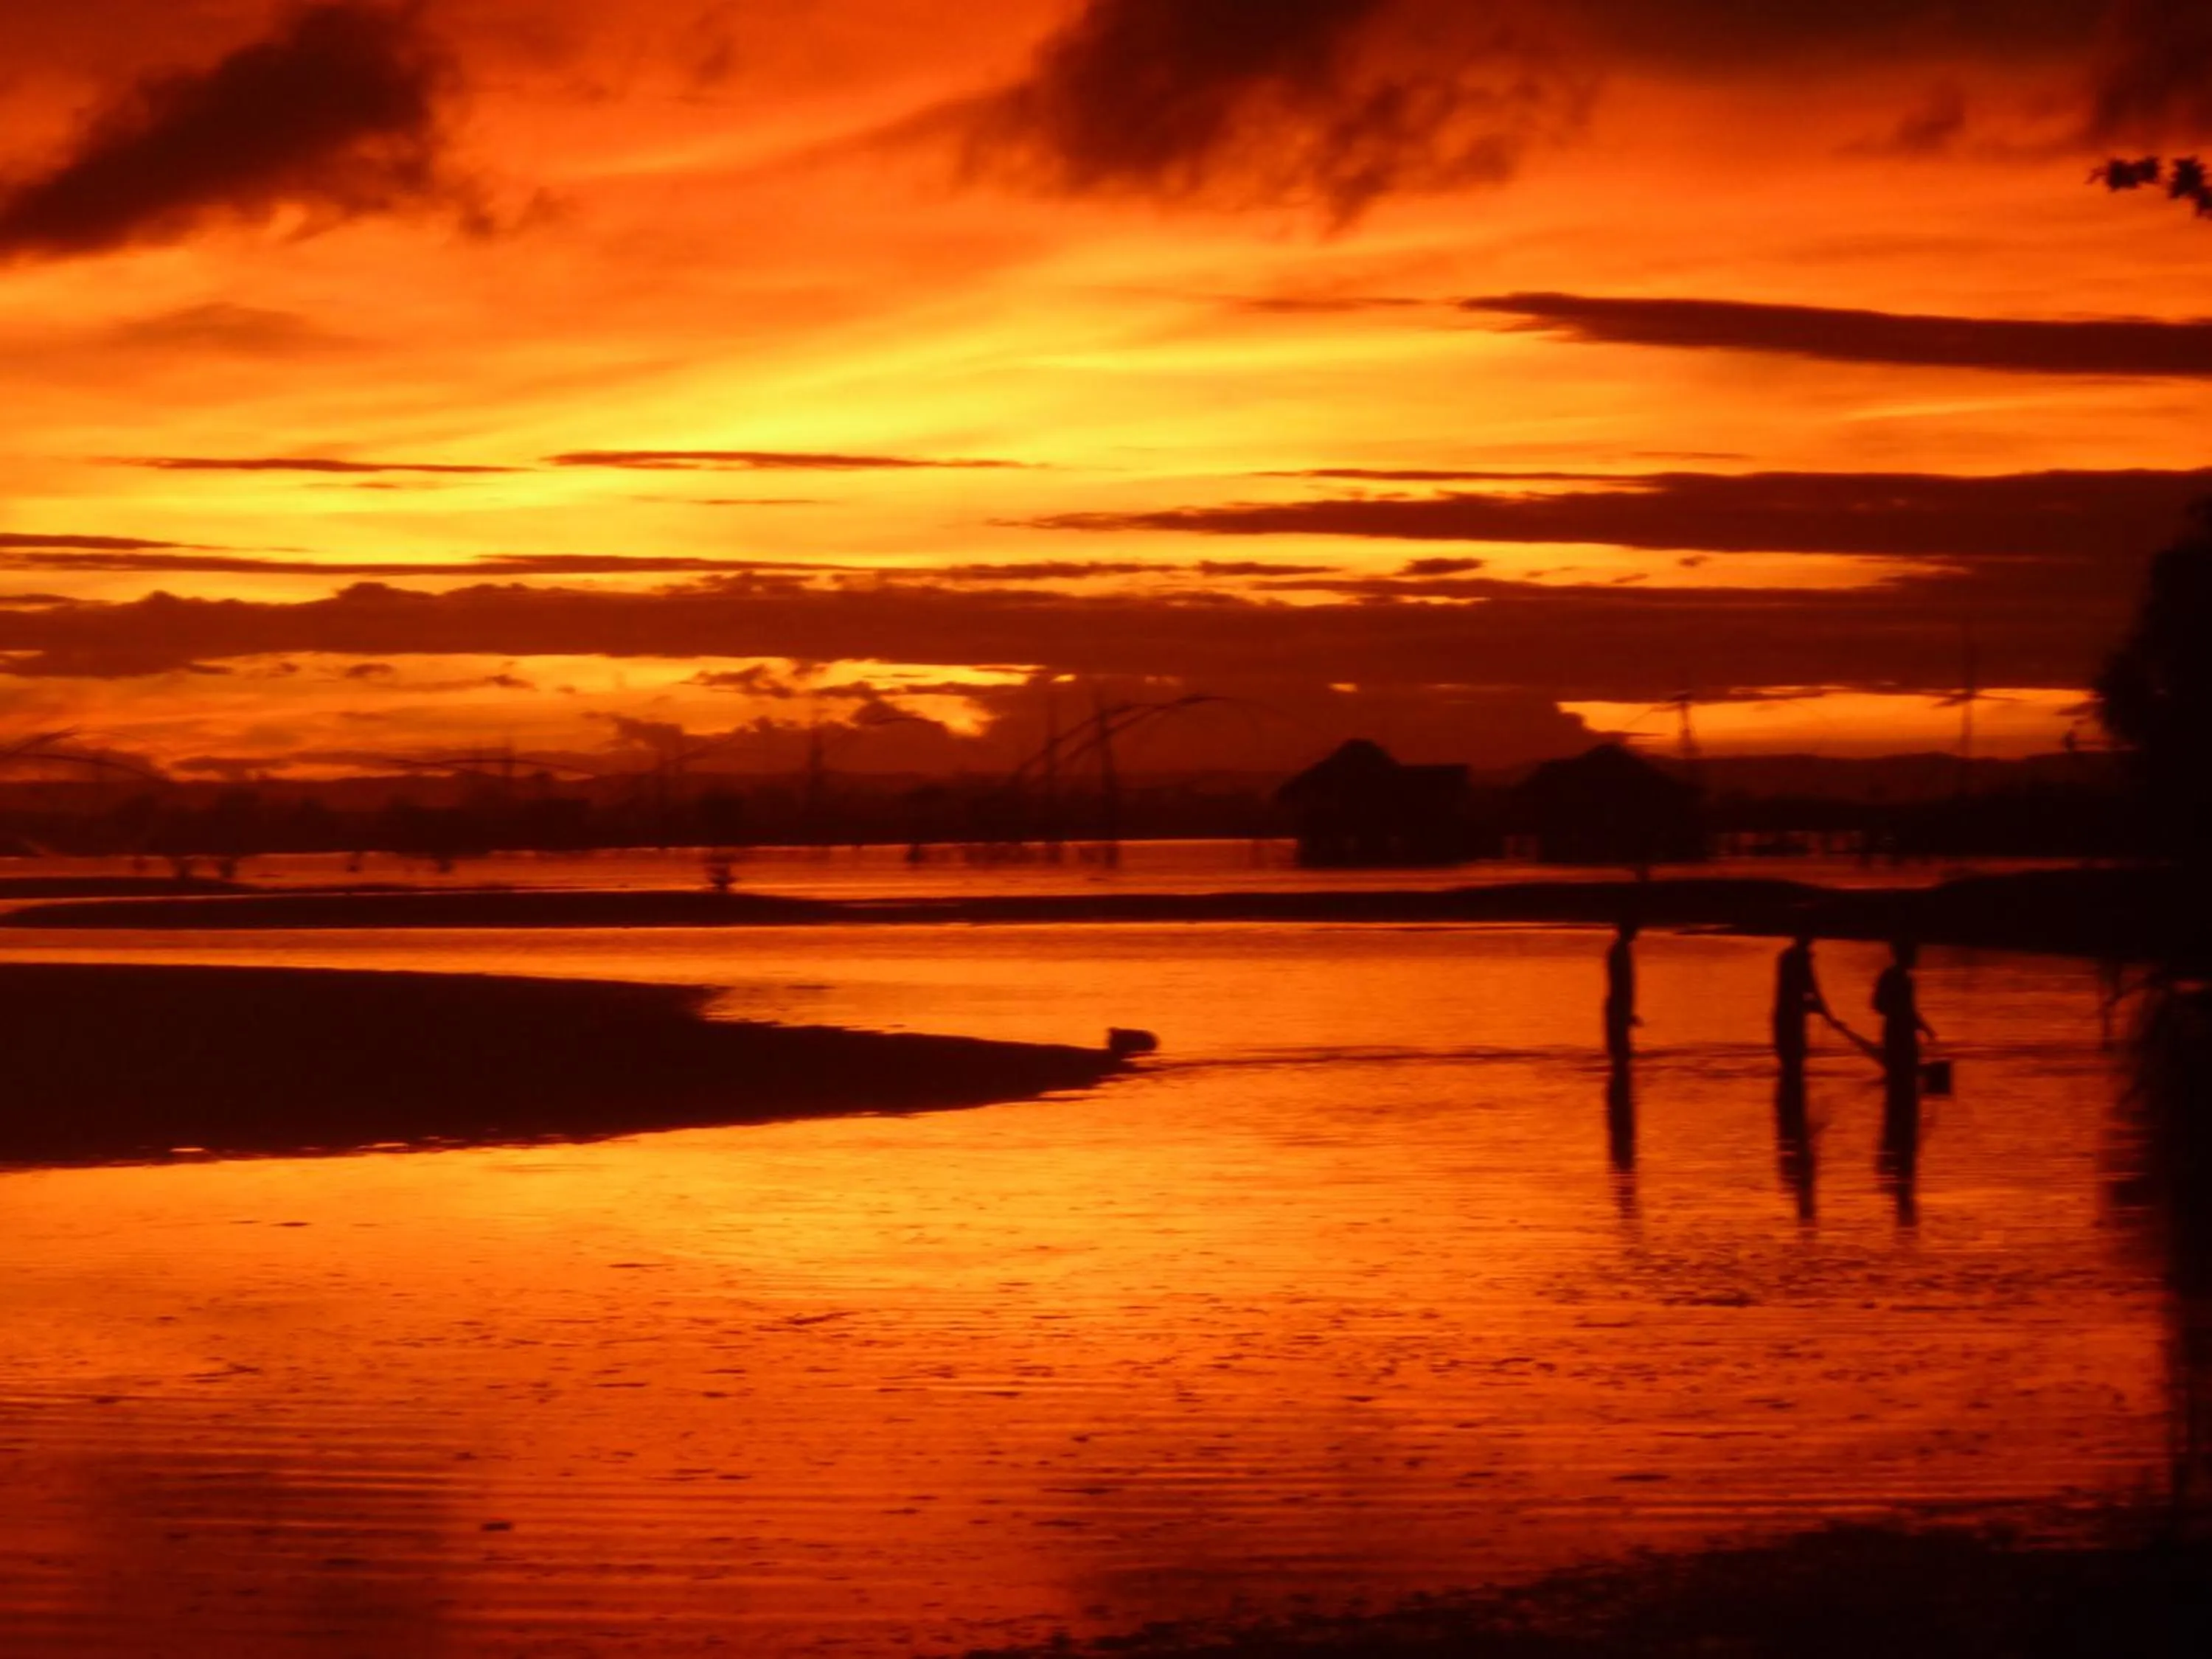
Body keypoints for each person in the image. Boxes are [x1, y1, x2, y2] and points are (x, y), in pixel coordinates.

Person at [1873, 937, 1935, 1117]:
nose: (1916, 957)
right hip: (1899, 1037)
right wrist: (1922, 1026)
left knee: (1900, 1086)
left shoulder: (1904, 979)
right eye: (1913, 953)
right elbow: (1883, 1005)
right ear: (1904, 954)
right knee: (1903, 1086)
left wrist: (1925, 1028)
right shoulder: (1898, 979)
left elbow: (1908, 1010)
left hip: (1900, 1036)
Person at [1772, 929, 1830, 1072]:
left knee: (1788, 1058)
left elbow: (1806, 988)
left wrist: (1819, 1008)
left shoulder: (1787, 957)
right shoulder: (1800, 959)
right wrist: (1825, 1012)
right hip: (1792, 1015)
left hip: (1784, 1013)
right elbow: (1810, 987)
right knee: (1795, 1057)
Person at [1604, 917, 1640, 1063]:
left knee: (1621, 1056)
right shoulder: (1619, 951)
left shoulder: (1621, 950)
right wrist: (1625, 1013)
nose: (1637, 934)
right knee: (1620, 1056)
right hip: (1618, 1007)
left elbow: (1624, 985)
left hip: (1619, 1007)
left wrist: (1628, 1013)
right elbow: (1620, 984)